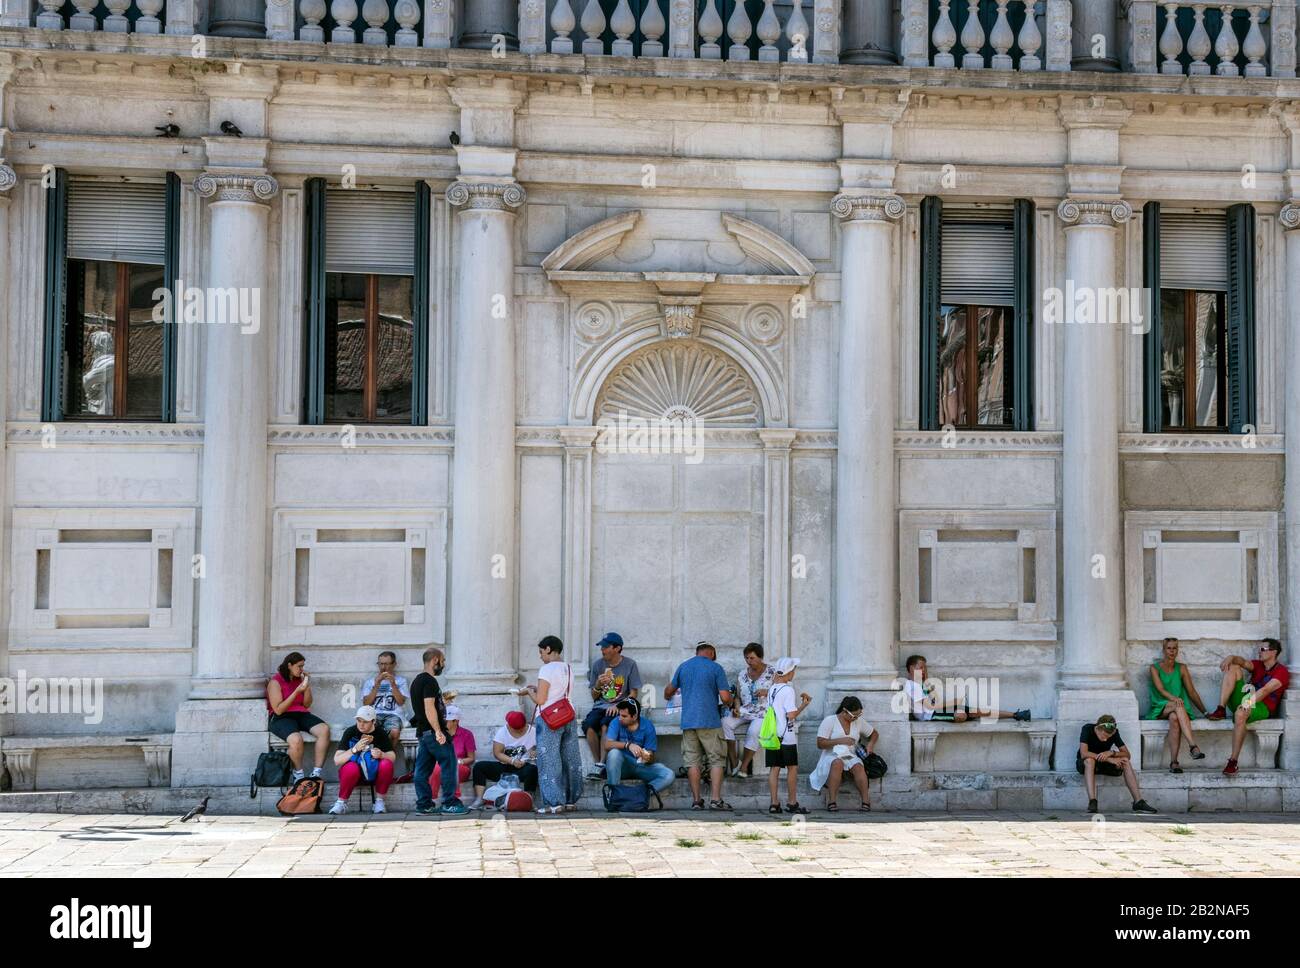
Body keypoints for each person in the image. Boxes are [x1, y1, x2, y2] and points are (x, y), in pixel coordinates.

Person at [665, 640, 734, 811]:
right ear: (711, 653)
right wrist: (731, 701)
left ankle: (696, 801)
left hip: (688, 722)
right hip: (710, 720)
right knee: (716, 759)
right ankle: (716, 800)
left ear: (698, 652)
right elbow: (725, 698)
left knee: (692, 761)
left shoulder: (683, 667)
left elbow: (668, 693)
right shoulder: (715, 668)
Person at [1205, 638, 1290, 776]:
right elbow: (1242, 662)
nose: (1259, 652)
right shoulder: (1258, 665)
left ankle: (1233, 762)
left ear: (1273, 652)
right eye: (1259, 649)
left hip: (1262, 706)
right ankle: (1221, 709)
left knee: (1240, 714)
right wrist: (1231, 657)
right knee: (1234, 667)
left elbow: (1265, 691)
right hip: (1245, 698)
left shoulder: (1281, 672)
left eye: (1263, 649)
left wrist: (1246, 704)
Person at [525, 635, 583, 814]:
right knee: (570, 759)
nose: (541, 656)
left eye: (541, 652)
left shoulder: (546, 669)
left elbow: (541, 699)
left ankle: (554, 802)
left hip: (549, 717)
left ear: (549, 649)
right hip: (568, 715)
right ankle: (571, 800)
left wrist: (529, 692)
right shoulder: (568, 668)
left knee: (549, 760)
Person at [411, 647, 467, 816]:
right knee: (449, 764)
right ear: (435, 660)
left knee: (421, 770)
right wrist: (438, 731)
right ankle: (450, 803)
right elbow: (428, 708)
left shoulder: (417, 681)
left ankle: (424, 805)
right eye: (442, 661)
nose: (443, 665)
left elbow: (424, 707)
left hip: (423, 733)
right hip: (432, 732)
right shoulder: (429, 681)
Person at [582, 632, 642, 779]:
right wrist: (597, 685)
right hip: (600, 706)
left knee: (605, 726)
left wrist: (620, 706)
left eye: (606, 647)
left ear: (617, 648)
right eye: (601, 647)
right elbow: (594, 696)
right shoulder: (598, 665)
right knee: (589, 726)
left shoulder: (630, 665)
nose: (602, 650)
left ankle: (603, 765)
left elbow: (634, 693)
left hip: (621, 707)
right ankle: (598, 765)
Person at [902, 655, 1030, 723]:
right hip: (930, 716)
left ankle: (1015, 714)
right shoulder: (911, 686)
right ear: (912, 668)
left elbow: (935, 700)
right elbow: (930, 707)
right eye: (921, 667)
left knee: (977, 711)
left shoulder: (921, 684)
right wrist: (955, 702)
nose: (924, 670)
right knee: (962, 715)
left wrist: (925, 682)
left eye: (925, 668)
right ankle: (963, 716)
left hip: (939, 710)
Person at [1146, 637, 1209, 773]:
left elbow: (1191, 692)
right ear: (1163, 650)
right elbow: (1160, 689)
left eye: (1175, 648)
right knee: (1178, 706)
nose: (1172, 651)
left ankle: (1174, 763)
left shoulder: (1181, 668)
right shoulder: (1154, 668)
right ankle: (1192, 746)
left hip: (1177, 709)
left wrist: (1205, 712)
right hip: (1160, 707)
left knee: (1174, 718)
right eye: (1169, 648)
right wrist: (1174, 699)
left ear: (1177, 650)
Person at [266, 651, 330, 782]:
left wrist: (306, 685)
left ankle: (316, 773)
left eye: (303, 666)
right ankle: (299, 775)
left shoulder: (299, 679)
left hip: (300, 714)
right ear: (289, 665)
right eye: (299, 666)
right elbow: (278, 710)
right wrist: (296, 692)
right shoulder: (275, 682)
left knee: (324, 730)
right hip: (281, 717)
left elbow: (306, 704)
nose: (302, 669)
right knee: (296, 740)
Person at [1077, 714, 1157, 814]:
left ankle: (1138, 802)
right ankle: (1092, 801)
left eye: (1109, 737)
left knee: (1125, 760)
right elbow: (1084, 753)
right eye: (1104, 736)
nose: (1106, 739)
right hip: (1086, 764)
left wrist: (1112, 753)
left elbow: (1127, 754)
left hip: (1104, 763)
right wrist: (1109, 759)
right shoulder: (1087, 729)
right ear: (1098, 728)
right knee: (1089, 760)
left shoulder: (1114, 733)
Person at [809, 696, 878, 812]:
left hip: (848, 755)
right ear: (845, 711)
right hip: (832, 755)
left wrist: (870, 744)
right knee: (837, 763)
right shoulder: (830, 721)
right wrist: (840, 740)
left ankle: (866, 801)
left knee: (858, 766)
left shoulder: (858, 721)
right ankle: (832, 802)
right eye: (854, 716)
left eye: (859, 715)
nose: (856, 718)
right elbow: (820, 743)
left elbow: (874, 733)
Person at [328, 705, 396, 815]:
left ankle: (379, 802)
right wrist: (354, 749)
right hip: (354, 774)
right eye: (359, 721)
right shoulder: (351, 732)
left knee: (386, 764)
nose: (361, 724)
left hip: (373, 773)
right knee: (350, 767)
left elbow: (392, 757)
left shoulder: (380, 733)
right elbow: (337, 760)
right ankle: (341, 802)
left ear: (373, 721)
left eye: (365, 721)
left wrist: (382, 754)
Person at [766, 657, 812, 815]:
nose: (794, 673)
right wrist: (804, 705)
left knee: (774, 769)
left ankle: (774, 803)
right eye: (793, 670)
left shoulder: (772, 689)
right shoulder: (788, 690)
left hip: (773, 735)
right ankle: (792, 803)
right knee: (792, 768)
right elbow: (791, 715)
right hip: (787, 735)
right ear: (789, 672)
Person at [603, 697, 673, 802]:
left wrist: (647, 757)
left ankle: (639, 795)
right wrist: (628, 745)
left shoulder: (647, 726)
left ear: (634, 716)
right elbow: (607, 744)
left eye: (624, 716)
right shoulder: (616, 722)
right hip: (623, 766)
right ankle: (614, 794)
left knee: (668, 775)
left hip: (641, 766)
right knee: (613, 753)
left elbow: (651, 757)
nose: (620, 718)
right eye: (620, 715)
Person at [722, 642, 774, 777]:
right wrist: (737, 707)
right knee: (725, 723)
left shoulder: (772, 672)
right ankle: (734, 762)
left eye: (752, 658)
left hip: (763, 712)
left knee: (754, 731)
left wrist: (767, 692)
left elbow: (782, 692)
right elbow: (738, 696)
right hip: (745, 710)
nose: (748, 661)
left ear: (760, 657)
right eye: (746, 658)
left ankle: (744, 766)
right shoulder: (742, 674)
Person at [469, 710, 539, 809]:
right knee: (479, 766)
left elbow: (540, 749)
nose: (518, 731)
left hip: (523, 767)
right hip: (505, 766)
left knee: (532, 770)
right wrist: (512, 761)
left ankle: (528, 799)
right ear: (509, 725)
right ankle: (479, 798)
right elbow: (497, 753)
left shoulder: (533, 731)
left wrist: (534, 753)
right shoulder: (503, 731)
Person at [360, 651, 408, 753]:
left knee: (394, 732)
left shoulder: (401, 681)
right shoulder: (370, 682)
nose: (383, 667)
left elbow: (400, 702)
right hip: (374, 714)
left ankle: (387, 758)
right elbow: (366, 703)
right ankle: (372, 759)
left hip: (393, 714)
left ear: (394, 664)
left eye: (386, 664)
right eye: (380, 664)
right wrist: (377, 684)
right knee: (369, 732)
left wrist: (393, 684)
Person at [429, 705, 476, 802]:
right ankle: (432, 798)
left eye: (446, 721)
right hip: (440, 767)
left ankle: (452, 798)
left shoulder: (467, 734)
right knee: (438, 767)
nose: (443, 723)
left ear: (456, 721)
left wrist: (459, 761)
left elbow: (471, 758)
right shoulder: (438, 734)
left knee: (451, 766)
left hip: (461, 767)